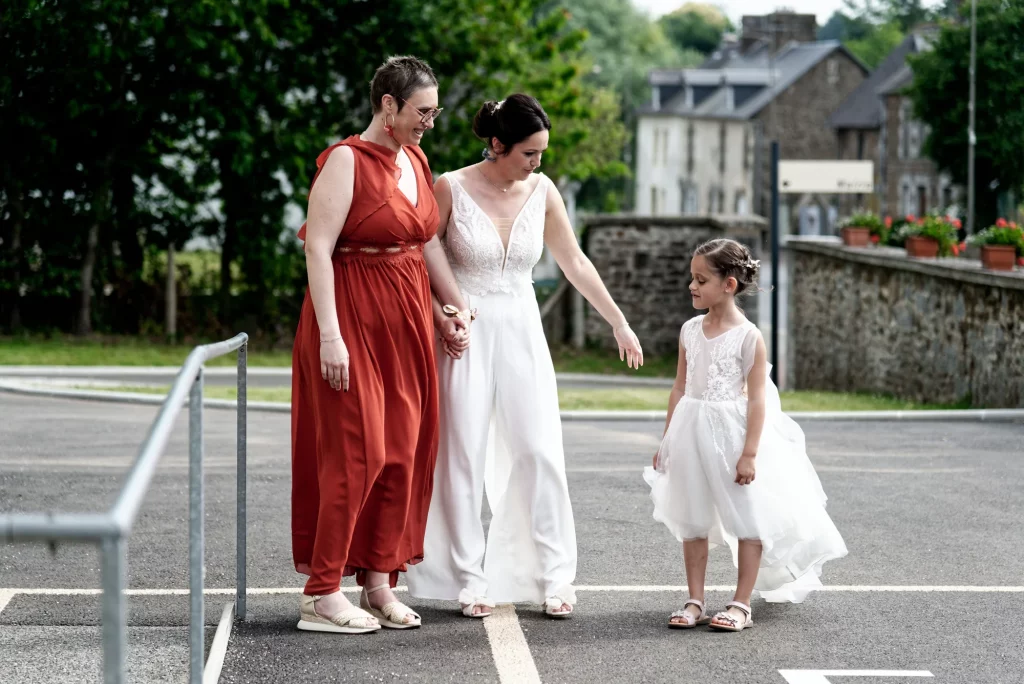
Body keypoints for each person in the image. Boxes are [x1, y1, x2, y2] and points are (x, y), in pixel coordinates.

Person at [406, 94, 644, 619]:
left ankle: (553, 576)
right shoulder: (450, 186)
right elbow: (421, 257)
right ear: (497, 144)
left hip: (522, 328)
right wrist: (442, 314)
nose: (536, 163)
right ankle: (467, 578)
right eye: (528, 153)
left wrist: (618, 321)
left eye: (541, 153)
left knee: (538, 450)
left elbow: (574, 260)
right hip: (463, 330)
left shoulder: (544, 190)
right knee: (461, 453)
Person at [290, 55, 470, 635]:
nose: (430, 123)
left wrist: (449, 311)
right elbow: (318, 248)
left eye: (435, 113)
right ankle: (322, 593)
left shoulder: (415, 158)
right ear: (388, 105)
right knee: (355, 455)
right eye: (423, 112)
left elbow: (423, 245)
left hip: (408, 321)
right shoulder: (345, 160)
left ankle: (378, 583)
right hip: (350, 320)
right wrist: (331, 335)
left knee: (402, 452)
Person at [643, 238, 847, 632]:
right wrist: (667, 440)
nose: (692, 286)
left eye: (701, 279)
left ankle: (741, 603)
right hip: (690, 432)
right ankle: (695, 600)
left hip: (732, 436)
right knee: (692, 517)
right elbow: (679, 387)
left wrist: (749, 453)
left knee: (747, 517)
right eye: (691, 278)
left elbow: (757, 401)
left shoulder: (749, 336)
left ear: (729, 285)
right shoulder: (689, 330)